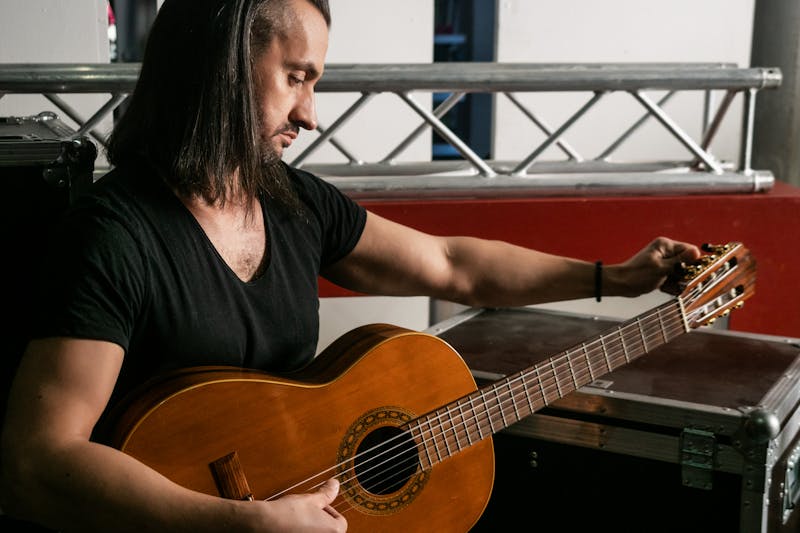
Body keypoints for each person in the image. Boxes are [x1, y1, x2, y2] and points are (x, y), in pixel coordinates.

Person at [0, 0, 701, 531]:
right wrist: (239, 521)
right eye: (296, 78)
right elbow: (36, 463)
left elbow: (453, 265)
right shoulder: (112, 236)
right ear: (220, 65)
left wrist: (614, 278)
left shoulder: (291, 202)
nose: (311, 113)